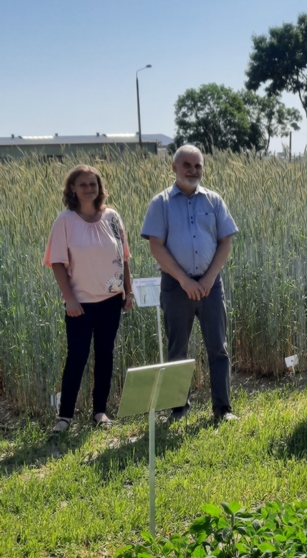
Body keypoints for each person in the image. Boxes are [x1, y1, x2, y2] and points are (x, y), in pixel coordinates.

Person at [141, 144, 239, 422]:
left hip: (210, 285)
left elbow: (225, 241)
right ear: (174, 168)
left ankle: (223, 409)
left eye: (198, 166)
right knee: (177, 349)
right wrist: (184, 281)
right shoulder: (160, 203)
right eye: (187, 165)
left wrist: (208, 279)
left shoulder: (214, 200)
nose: (193, 171)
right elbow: (157, 247)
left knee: (218, 346)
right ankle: (178, 408)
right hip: (175, 286)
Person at [44, 164, 133, 433]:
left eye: (93, 184)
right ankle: (65, 417)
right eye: (82, 184)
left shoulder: (113, 217)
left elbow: (125, 256)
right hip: (79, 304)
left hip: (111, 300)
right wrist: (68, 298)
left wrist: (128, 290)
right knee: (77, 357)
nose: (88, 189)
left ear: (100, 187)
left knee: (105, 355)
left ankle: (100, 412)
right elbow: (57, 262)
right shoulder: (65, 221)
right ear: (72, 188)